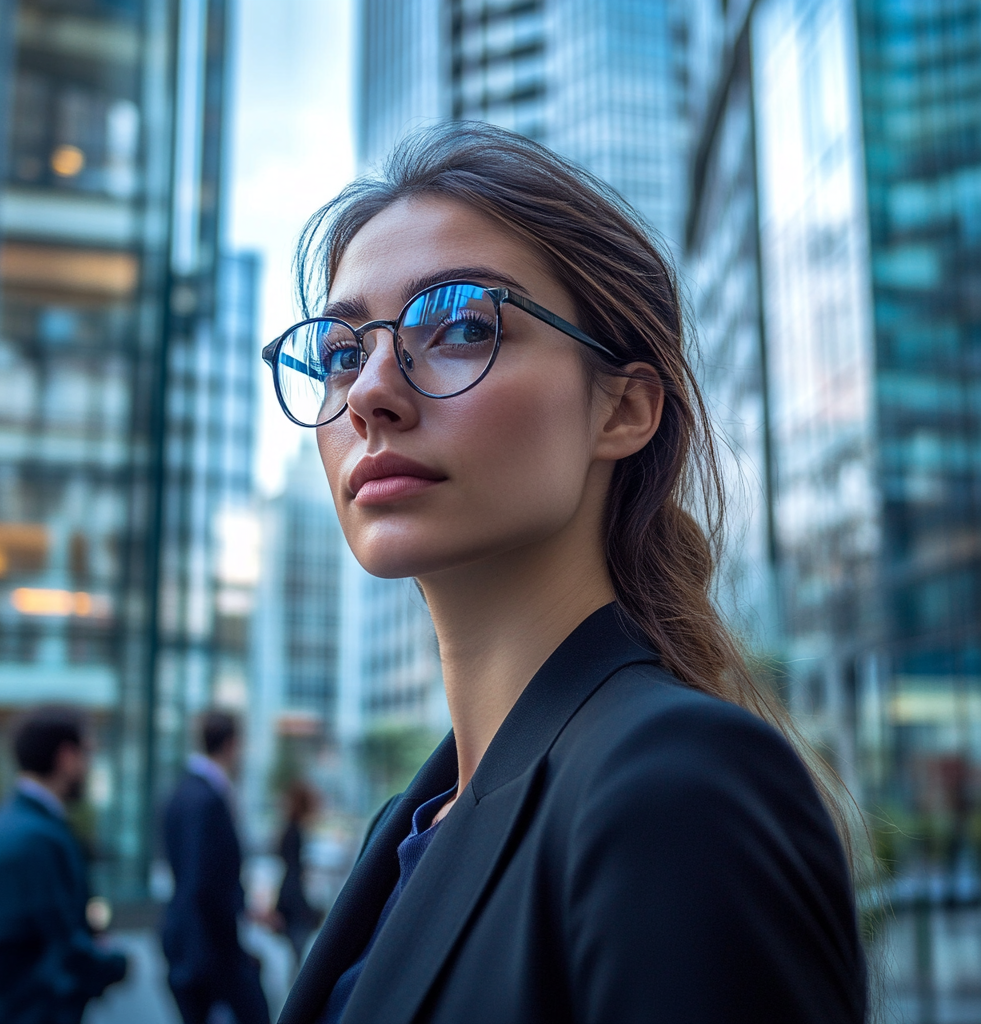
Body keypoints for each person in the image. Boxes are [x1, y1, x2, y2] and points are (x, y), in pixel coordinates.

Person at [266, 122, 868, 1024]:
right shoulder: (410, 823)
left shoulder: (676, 786)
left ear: (622, 410)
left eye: (462, 325)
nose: (368, 395)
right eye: (344, 352)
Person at [0, 706, 128, 1024]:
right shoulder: (39, 839)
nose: (88, 767)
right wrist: (114, 963)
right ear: (66, 757)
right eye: (86, 754)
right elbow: (58, 943)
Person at [161, 710, 270, 1024]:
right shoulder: (207, 799)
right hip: (208, 945)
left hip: (193, 940)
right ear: (232, 744)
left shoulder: (180, 792)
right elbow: (202, 880)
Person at [273, 782, 323, 965]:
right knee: (299, 952)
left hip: (289, 894)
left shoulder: (289, 830)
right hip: (296, 898)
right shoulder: (296, 832)